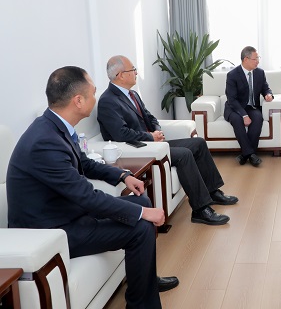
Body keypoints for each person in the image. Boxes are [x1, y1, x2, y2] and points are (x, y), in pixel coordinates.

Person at [6, 66, 179, 309]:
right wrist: (142, 214)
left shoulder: (55, 127)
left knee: (141, 200)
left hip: (66, 212)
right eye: (93, 93)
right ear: (78, 100)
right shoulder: (44, 143)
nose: (96, 98)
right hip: (53, 230)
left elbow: (84, 163)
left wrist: (122, 176)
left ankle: (145, 282)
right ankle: (141, 304)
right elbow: (87, 196)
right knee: (141, 225)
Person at [97, 55, 238, 226]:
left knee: (198, 143)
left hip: (154, 143)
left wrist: (157, 131)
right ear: (120, 75)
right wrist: (150, 137)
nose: (136, 72)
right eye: (133, 70)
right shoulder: (108, 101)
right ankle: (200, 210)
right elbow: (120, 134)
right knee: (184, 154)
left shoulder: (132, 94)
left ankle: (212, 191)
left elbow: (149, 116)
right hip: (141, 149)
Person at [224, 46, 274, 166]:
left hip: (252, 107)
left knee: (258, 118)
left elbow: (265, 88)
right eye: (255, 59)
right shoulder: (232, 75)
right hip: (234, 107)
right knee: (237, 120)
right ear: (246, 59)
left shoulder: (260, 73)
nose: (258, 61)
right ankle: (251, 155)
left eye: (258, 58)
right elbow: (232, 99)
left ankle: (245, 155)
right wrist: (244, 115)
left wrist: (268, 94)